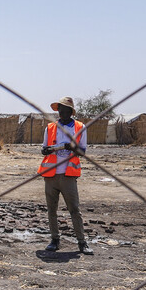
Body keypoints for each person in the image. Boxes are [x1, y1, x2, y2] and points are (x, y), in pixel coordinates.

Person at [39, 96, 93, 255]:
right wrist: (48, 149)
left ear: (71, 111)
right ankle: (55, 240)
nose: (61, 112)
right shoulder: (50, 128)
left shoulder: (80, 127)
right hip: (51, 175)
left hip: (69, 175)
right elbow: (43, 149)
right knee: (51, 209)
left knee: (74, 209)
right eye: (59, 109)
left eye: (65, 110)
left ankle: (82, 242)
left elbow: (82, 151)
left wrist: (72, 147)